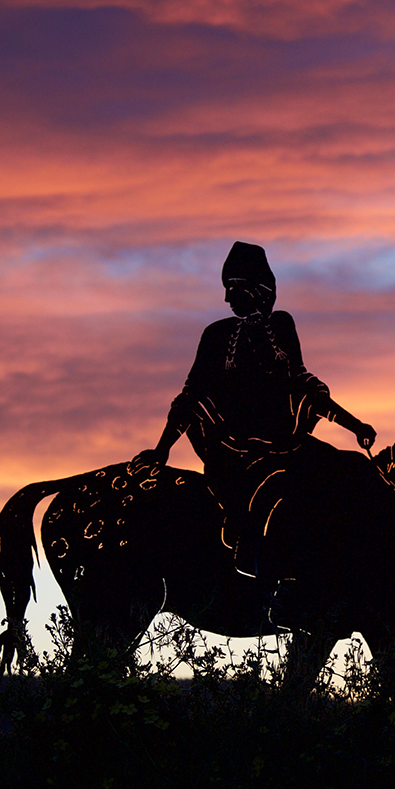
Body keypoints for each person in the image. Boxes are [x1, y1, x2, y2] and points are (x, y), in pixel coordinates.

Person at [135, 243, 376, 604]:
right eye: (226, 289)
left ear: (257, 290)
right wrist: (162, 449)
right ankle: (277, 585)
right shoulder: (215, 335)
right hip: (232, 448)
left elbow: (302, 383)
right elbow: (190, 396)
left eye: (235, 288)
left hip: (285, 441)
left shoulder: (282, 325)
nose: (229, 298)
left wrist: (354, 425)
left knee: (349, 471)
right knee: (272, 495)